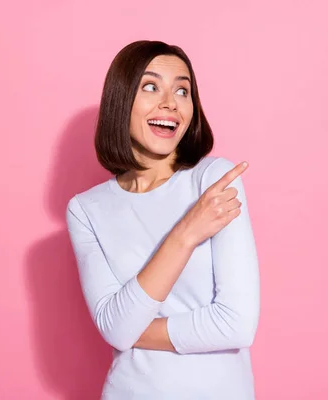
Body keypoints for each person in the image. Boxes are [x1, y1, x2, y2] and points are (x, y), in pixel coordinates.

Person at [65, 40, 260, 399]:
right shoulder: (86, 209)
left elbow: (237, 325)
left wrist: (131, 328)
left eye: (182, 90)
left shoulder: (213, 179)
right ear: (121, 101)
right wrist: (185, 233)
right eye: (151, 86)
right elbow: (114, 329)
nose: (170, 103)